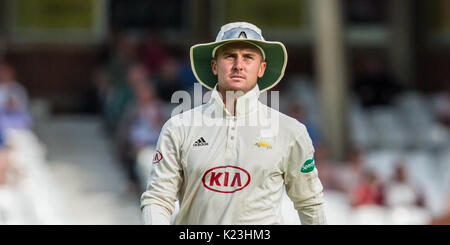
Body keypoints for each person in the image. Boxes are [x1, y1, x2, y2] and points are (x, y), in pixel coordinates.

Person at [140, 22, 326, 225]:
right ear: (214, 66)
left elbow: (309, 202)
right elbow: (158, 199)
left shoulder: (291, 132)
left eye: (248, 57)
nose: (239, 65)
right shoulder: (178, 128)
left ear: (261, 68)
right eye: (230, 56)